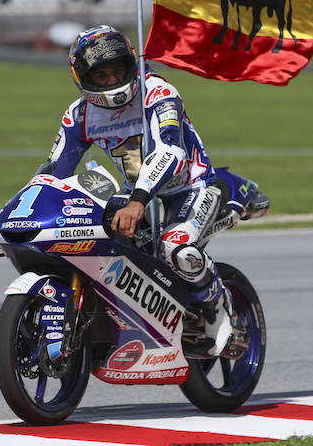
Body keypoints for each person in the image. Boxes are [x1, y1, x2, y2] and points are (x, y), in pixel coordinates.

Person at [42, 25, 269, 358]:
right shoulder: (79, 115)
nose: (111, 80)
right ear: (82, 77)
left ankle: (222, 314)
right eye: (100, 74)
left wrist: (137, 201)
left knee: (177, 248)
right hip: (137, 194)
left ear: (132, 64)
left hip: (191, 186)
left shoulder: (157, 93)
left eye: (117, 70)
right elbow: (53, 171)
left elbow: (170, 152)